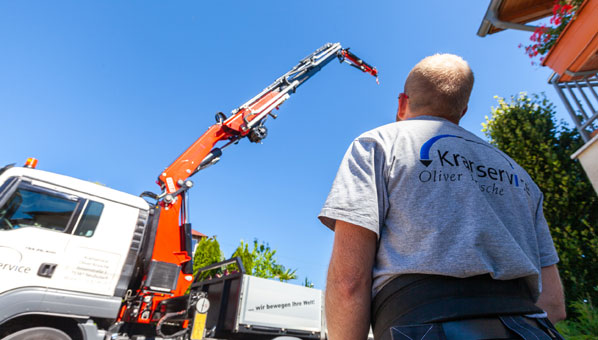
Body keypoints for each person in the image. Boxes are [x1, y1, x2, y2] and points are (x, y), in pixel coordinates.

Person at [319, 54, 566, 340]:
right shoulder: (518, 174)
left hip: (418, 328)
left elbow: (349, 282)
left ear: (402, 103)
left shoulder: (375, 145)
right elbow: (554, 304)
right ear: (462, 110)